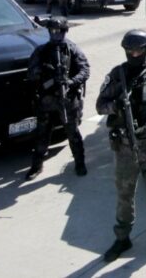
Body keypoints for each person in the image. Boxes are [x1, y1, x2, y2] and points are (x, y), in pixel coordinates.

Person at [97, 29, 146, 265]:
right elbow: (100, 105)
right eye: (130, 50)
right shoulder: (117, 74)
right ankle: (122, 239)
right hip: (123, 147)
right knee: (124, 194)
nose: (134, 53)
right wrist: (117, 107)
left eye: (138, 49)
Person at [25, 18, 90, 180]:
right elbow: (31, 74)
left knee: (73, 133)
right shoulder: (41, 51)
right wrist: (46, 72)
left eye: (60, 31)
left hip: (68, 99)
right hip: (47, 100)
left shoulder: (72, 49)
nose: (57, 35)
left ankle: (80, 162)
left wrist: (70, 82)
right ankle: (37, 165)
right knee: (42, 134)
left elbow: (85, 70)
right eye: (54, 31)